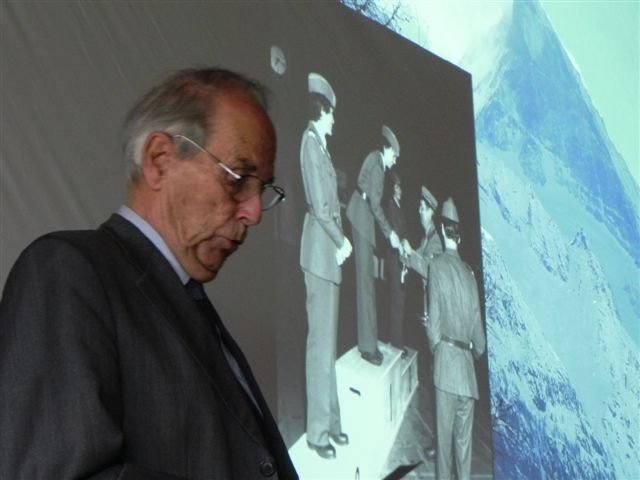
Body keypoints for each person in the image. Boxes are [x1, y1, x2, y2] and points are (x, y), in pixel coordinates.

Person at [0, 68, 298, 479]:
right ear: (159, 160)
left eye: (262, 189)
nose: (254, 212)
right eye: (238, 179)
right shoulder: (67, 271)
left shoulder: (188, 301)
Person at [299, 73, 351, 460]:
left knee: (328, 344)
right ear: (322, 111)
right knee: (319, 346)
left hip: (326, 256)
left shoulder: (321, 147)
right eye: (332, 113)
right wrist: (342, 241)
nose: (335, 120)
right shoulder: (310, 144)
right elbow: (320, 207)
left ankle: (332, 422)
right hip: (319, 254)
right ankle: (317, 433)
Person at [426, 197, 486, 480]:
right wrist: (472, 351)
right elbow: (480, 340)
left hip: (446, 370)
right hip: (468, 377)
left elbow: (434, 325)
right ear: (459, 234)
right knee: (464, 451)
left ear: (442, 229)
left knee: (444, 450)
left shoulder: (436, 267)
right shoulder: (470, 275)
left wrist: (437, 348)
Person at [346, 125, 402, 366]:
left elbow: (364, 188)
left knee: (365, 284)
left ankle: (367, 342)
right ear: (386, 149)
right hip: (363, 221)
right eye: (394, 156)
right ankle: (368, 348)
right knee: (366, 285)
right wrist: (390, 234)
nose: (394, 161)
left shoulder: (373, 158)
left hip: (360, 218)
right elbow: (376, 206)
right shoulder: (378, 166)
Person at [403, 185, 443, 461]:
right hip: (430, 319)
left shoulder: (436, 242)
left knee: (437, 381)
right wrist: (405, 251)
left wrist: (409, 253)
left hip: (437, 322)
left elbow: (428, 267)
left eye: (422, 209)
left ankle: (441, 444)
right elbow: (415, 257)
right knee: (432, 378)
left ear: (431, 213)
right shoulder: (427, 238)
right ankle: (440, 440)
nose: (418, 212)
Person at [384, 172, 409, 352]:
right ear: (392, 188)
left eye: (400, 186)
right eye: (397, 186)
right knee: (396, 303)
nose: (400, 190)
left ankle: (397, 341)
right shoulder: (390, 206)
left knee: (400, 303)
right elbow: (395, 233)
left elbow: (404, 232)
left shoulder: (398, 207)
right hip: (394, 262)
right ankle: (396, 344)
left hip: (401, 261)